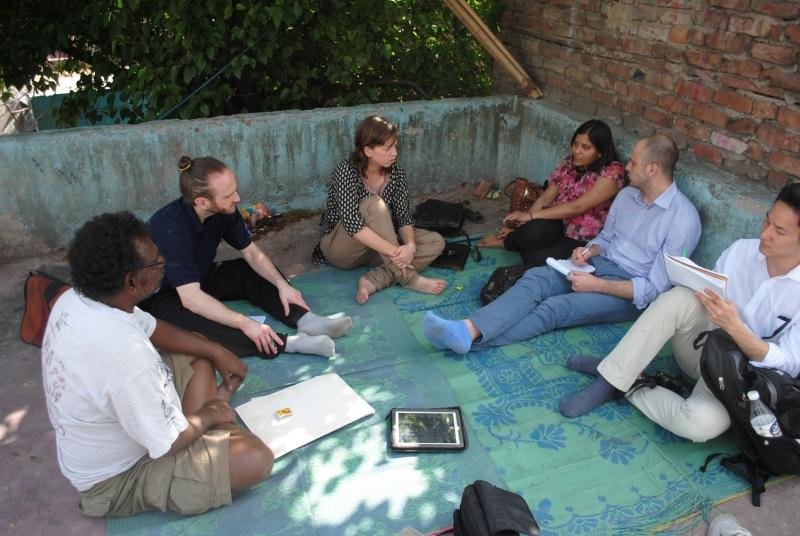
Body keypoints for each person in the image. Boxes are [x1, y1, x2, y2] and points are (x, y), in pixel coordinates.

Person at [42, 212, 272, 517]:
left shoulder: (81, 297)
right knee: (256, 458)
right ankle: (210, 428)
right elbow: (168, 442)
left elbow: (153, 328)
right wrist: (211, 413)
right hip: (119, 479)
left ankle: (203, 428)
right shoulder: (124, 355)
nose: (163, 262)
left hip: (134, 428)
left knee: (198, 347)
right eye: (158, 262)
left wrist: (217, 350)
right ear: (132, 281)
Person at [559, 184, 800, 442]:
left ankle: (626, 381)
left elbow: (789, 363)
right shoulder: (742, 251)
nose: (765, 233)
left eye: (780, 231)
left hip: (738, 379)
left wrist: (737, 329)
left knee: (699, 426)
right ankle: (610, 379)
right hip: (701, 348)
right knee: (679, 298)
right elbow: (705, 296)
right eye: (767, 221)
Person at [423, 134, 701, 354]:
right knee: (536, 279)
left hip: (629, 293)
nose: (627, 167)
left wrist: (598, 285)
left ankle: (466, 339)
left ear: (652, 169)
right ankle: (466, 330)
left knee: (555, 308)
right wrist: (588, 250)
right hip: (596, 266)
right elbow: (605, 238)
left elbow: (654, 290)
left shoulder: (683, 219)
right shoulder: (628, 196)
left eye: (634, 163)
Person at [142, 156, 352, 359]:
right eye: (228, 196)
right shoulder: (170, 229)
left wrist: (282, 285)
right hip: (165, 297)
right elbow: (191, 298)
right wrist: (243, 322)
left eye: (234, 190)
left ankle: (307, 320)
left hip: (198, 277)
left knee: (247, 269)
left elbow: (251, 252)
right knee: (194, 324)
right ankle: (289, 344)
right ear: (202, 202)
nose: (237, 199)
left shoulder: (224, 210)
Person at [313, 115, 446, 304]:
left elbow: (403, 216)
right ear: (367, 150)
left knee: (435, 241)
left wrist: (409, 246)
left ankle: (372, 281)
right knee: (374, 204)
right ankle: (408, 278)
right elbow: (354, 227)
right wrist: (395, 251)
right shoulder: (346, 172)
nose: (394, 153)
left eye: (395, 146)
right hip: (343, 248)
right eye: (387, 148)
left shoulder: (396, 172)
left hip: (377, 247)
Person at [479, 119, 625, 267]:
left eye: (585, 147)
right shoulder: (569, 163)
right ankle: (506, 242)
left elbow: (577, 207)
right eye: (575, 144)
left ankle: (518, 244)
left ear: (600, 152)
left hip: (582, 236)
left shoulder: (612, 173)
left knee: (536, 259)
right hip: (558, 221)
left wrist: (529, 216)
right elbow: (546, 198)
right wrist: (519, 226)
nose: (577, 151)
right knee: (529, 233)